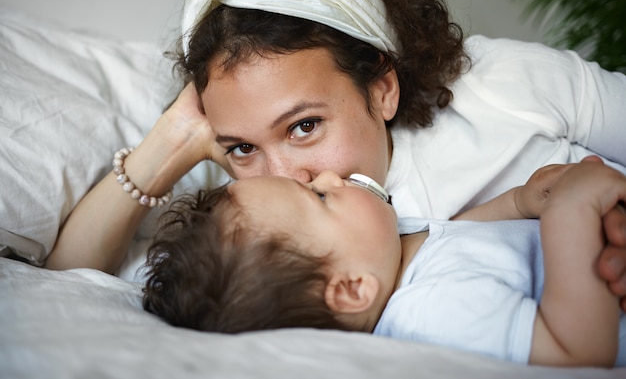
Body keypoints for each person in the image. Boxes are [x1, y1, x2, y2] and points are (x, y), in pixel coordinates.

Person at [45, 0, 626, 308]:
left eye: (304, 126)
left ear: (381, 90)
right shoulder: (254, 217)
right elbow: (69, 280)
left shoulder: (507, 85)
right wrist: (177, 136)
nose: (285, 178)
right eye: (243, 146)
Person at [142, 160, 626, 367]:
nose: (328, 174)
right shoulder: (429, 312)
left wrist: (521, 202)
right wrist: (571, 213)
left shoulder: (397, 249)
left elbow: (467, 241)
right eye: (320, 197)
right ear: (353, 289)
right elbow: (575, 352)